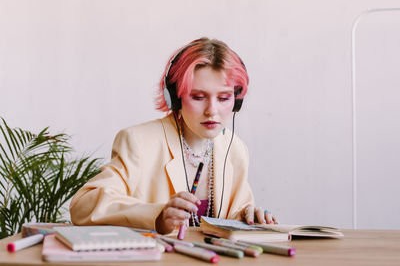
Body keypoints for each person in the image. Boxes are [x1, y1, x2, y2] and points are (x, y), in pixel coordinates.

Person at [70, 37, 277, 234]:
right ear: (174, 98)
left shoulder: (235, 149)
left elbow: (234, 212)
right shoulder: (139, 142)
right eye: (198, 97)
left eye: (224, 98)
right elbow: (83, 205)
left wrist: (248, 217)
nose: (212, 110)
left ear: (237, 101)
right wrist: (158, 216)